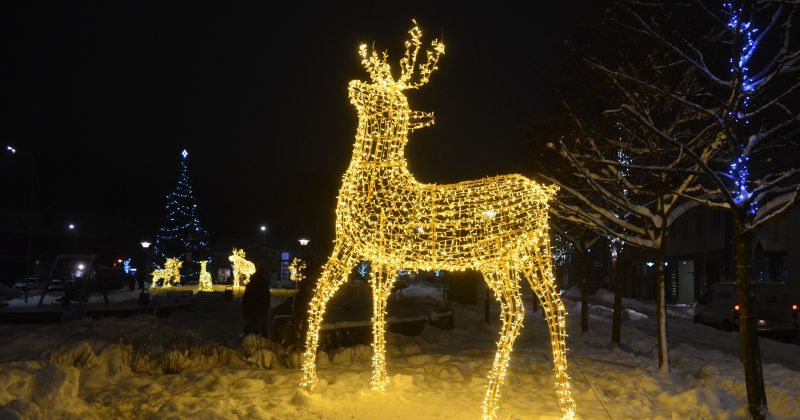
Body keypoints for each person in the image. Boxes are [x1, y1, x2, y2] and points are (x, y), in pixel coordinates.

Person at [242, 269, 271, 337]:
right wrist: (266, 307)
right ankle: (263, 341)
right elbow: (267, 297)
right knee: (262, 327)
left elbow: (246, 298)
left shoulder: (250, 284)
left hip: (250, 309)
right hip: (261, 309)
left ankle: (246, 338)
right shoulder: (264, 283)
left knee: (250, 325)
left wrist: (245, 311)